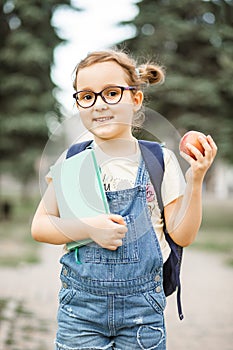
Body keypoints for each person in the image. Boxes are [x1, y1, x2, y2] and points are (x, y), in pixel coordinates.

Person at [31, 49, 217, 350]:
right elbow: (40, 226)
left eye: (112, 93)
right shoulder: (74, 161)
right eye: (87, 96)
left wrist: (195, 179)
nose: (99, 104)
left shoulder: (159, 160)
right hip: (80, 311)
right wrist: (87, 228)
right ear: (78, 104)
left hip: (142, 312)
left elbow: (183, 234)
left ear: (136, 99)